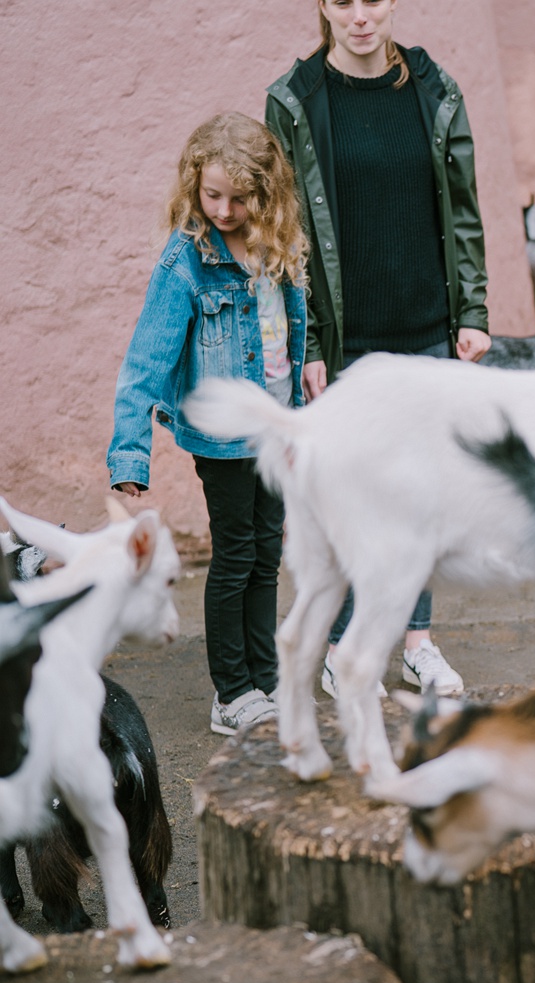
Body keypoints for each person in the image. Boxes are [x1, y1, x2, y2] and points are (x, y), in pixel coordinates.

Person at [265, 0, 491, 698]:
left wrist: (473, 309)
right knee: (352, 496)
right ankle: (341, 643)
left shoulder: (433, 88)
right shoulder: (295, 100)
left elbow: (461, 207)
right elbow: (287, 227)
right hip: (344, 339)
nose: (360, 16)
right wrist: (309, 341)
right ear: (322, 8)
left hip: (425, 326)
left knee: (421, 492)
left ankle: (417, 642)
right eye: (343, 1)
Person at [107, 112, 306, 735]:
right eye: (211, 194)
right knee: (237, 551)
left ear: (265, 192)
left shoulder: (277, 242)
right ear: (194, 186)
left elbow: (297, 331)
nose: (222, 209)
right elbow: (144, 361)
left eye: (238, 197)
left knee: (269, 552)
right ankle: (231, 691)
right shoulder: (186, 261)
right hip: (223, 434)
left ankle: (265, 679)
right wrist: (128, 456)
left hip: (277, 424)